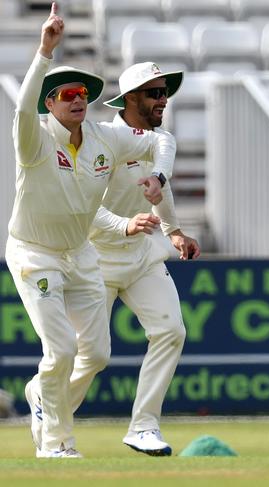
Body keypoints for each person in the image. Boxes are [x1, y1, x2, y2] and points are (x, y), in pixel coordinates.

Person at [7, 3, 175, 458]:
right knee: (59, 350)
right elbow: (22, 108)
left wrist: (158, 177)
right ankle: (56, 443)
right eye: (66, 93)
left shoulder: (105, 137)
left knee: (96, 354)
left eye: (83, 91)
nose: (78, 98)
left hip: (81, 254)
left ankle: (41, 399)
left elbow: (161, 139)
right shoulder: (35, 140)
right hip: (35, 253)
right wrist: (45, 50)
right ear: (50, 103)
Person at [89, 62, 200, 456]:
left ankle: (144, 426)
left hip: (142, 256)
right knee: (91, 357)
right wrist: (122, 224)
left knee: (171, 331)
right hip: (95, 260)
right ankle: (45, 403)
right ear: (130, 98)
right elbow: (84, 208)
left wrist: (173, 231)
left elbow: (158, 187)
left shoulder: (160, 139)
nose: (163, 99)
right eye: (154, 93)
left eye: (164, 92)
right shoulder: (101, 138)